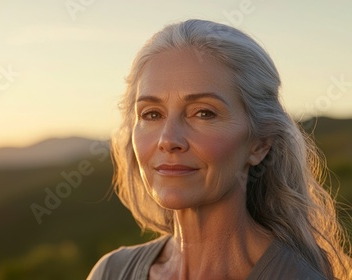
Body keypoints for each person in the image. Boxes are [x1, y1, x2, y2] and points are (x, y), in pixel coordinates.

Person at [88, 19, 352, 279]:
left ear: (260, 143)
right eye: (152, 114)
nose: (168, 140)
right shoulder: (111, 271)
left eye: (203, 113)